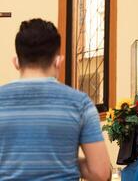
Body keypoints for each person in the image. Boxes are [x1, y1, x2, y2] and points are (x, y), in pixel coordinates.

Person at [0, 18, 111, 180]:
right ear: (58, 61)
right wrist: (66, 162)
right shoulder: (81, 104)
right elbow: (100, 172)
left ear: (16, 62)